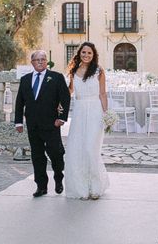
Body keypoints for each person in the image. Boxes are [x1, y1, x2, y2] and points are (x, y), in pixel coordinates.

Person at [14, 50, 71, 198]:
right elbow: (20, 102)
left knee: (56, 153)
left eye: (43, 59)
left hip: (52, 124)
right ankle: (41, 186)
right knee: (37, 156)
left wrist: (62, 117)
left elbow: (65, 98)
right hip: (33, 125)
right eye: (37, 60)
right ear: (32, 62)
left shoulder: (56, 77)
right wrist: (18, 122)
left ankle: (59, 178)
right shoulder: (25, 79)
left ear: (47, 62)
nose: (40, 62)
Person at [64, 41, 110, 200]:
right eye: (84, 52)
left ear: (93, 55)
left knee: (91, 149)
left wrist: (106, 114)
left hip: (96, 112)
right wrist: (58, 106)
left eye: (89, 53)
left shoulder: (99, 71)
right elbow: (68, 92)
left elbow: (103, 94)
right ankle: (81, 188)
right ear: (79, 53)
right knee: (78, 149)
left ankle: (95, 187)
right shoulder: (73, 71)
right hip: (79, 112)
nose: (86, 55)